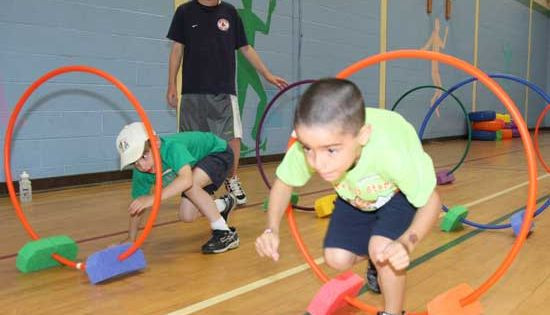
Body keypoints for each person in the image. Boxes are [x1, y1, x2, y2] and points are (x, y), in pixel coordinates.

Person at [255, 79, 441, 315]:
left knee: (383, 251)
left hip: (397, 193)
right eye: (307, 148)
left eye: (331, 150)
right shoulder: (316, 141)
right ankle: (375, 259)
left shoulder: (391, 153)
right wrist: (271, 228)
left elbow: (431, 201)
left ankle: (393, 311)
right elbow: (283, 183)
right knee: (336, 259)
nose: (318, 164)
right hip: (354, 194)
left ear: (363, 136)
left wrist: (405, 243)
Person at [166, 0, 288, 206]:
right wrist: (171, 84)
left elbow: (246, 48)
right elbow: (177, 49)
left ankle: (231, 179)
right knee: (192, 140)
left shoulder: (230, 12)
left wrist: (267, 74)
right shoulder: (184, 12)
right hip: (192, 92)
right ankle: (199, 186)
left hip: (223, 90)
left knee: (232, 137)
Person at [116, 122, 239, 254]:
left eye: (144, 156)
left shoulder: (172, 148)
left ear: (156, 142)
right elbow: (137, 206)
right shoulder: (141, 172)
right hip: (195, 167)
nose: (142, 166)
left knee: (189, 185)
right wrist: (131, 238)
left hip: (218, 152)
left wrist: (153, 198)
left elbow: (186, 180)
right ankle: (224, 204)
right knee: (186, 216)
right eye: (135, 163)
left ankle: (225, 234)